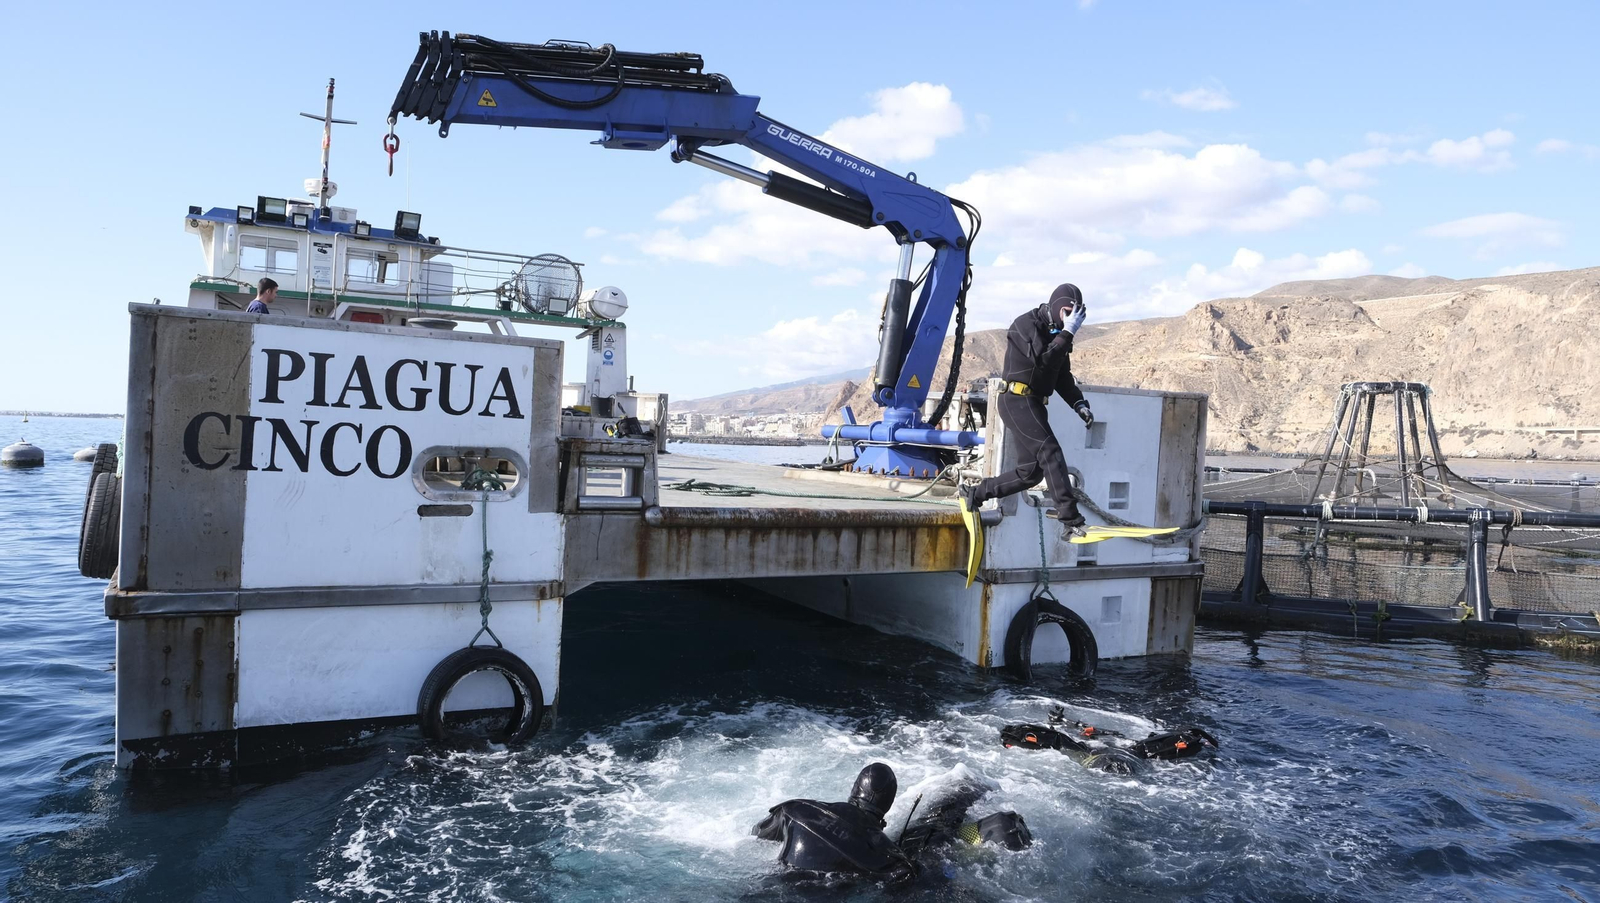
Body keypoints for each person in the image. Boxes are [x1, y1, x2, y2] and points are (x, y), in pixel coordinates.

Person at [960, 283, 1094, 534]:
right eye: (1067, 311)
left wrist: (1079, 404)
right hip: (1015, 400)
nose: (1070, 319)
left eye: (1076, 315)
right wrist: (1066, 334)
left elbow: (1062, 376)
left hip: (1034, 403)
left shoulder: (1059, 334)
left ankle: (975, 493)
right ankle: (1070, 519)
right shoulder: (1026, 325)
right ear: (1056, 307)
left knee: (1029, 474)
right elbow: (1042, 364)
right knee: (1050, 450)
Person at [751, 763, 1031, 882]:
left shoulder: (797, 809)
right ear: (886, 806)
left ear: (853, 788)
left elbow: (754, 836)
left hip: (769, 883)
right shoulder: (889, 857)